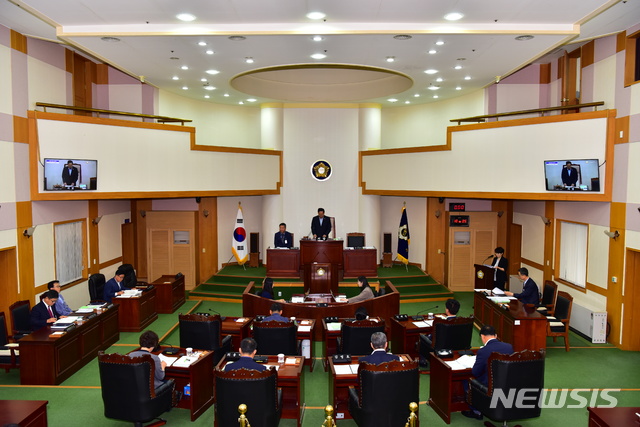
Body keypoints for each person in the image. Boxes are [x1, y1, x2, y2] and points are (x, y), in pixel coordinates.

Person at [462, 325, 514, 420]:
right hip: (508, 383)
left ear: (482, 336)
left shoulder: (483, 351)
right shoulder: (509, 347)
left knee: (467, 380)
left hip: (491, 385)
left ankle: (476, 411)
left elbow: (475, 372)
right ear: (496, 335)